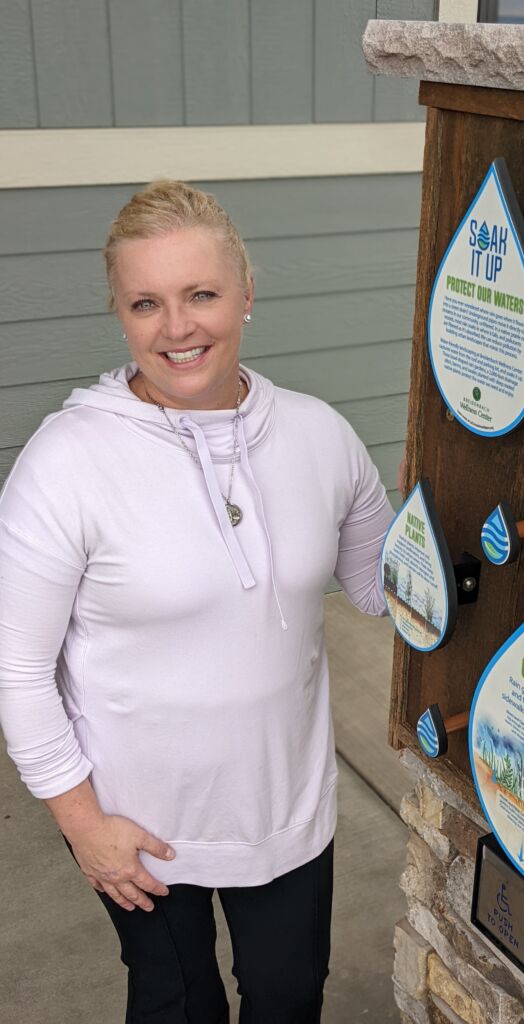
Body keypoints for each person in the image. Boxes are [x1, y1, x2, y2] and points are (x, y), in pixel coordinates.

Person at [0, 180, 395, 1023]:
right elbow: (19, 671)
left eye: (201, 294)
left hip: (286, 813)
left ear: (247, 295)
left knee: (289, 1000)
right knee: (178, 1004)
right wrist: (82, 826)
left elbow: (378, 586)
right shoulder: (65, 463)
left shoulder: (321, 436)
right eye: (147, 303)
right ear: (120, 313)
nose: (177, 328)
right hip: (136, 827)